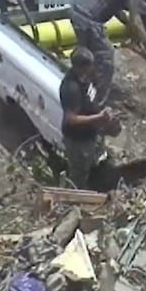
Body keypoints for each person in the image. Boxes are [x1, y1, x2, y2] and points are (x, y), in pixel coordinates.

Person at [69, 0, 146, 106]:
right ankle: (97, 103)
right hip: (88, 21)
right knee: (106, 59)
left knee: (87, 56)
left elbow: (112, 5)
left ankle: (81, 88)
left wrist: (128, 25)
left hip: (76, 12)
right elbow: (136, 20)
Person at [59, 47, 113, 189]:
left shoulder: (86, 78)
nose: (92, 69)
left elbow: (93, 99)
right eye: (89, 66)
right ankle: (76, 202)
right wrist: (99, 117)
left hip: (92, 134)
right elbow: (71, 119)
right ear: (79, 67)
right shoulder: (71, 88)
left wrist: (104, 111)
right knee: (79, 175)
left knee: (95, 163)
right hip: (78, 141)